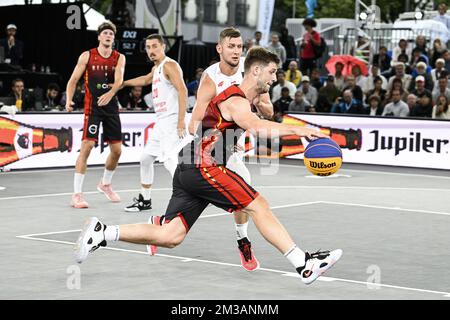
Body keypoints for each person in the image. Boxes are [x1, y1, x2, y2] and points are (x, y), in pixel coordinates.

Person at [74, 47, 343, 286]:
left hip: (189, 167)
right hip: (204, 167)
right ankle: (304, 264)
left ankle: (103, 233)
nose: (275, 78)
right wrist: (302, 129)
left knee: (170, 235)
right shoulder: (236, 100)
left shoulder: (244, 101)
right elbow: (258, 128)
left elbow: (248, 122)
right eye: (272, 72)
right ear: (256, 70)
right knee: (258, 205)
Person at [189, 27, 274, 271]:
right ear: (220, 48)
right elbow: (198, 115)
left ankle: (242, 239)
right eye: (231, 46)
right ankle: (163, 224)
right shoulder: (210, 77)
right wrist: (214, 138)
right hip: (212, 145)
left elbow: (268, 109)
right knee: (209, 194)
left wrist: (259, 102)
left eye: (239, 47)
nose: (236, 51)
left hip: (235, 146)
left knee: (240, 192)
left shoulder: (250, 70)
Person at [122, 34, 187, 214]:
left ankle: (187, 196)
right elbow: (144, 80)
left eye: (154, 46)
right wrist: (123, 83)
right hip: (161, 122)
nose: (151, 50)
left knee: (169, 161)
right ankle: (145, 199)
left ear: (163, 46)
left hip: (172, 119)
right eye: (148, 47)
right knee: (145, 159)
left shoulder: (169, 65)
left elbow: (183, 90)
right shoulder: (157, 68)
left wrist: (181, 120)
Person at [65, 21, 126, 208]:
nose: (108, 36)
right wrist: (68, 100)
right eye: (105, 33)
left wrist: (110, 94)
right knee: (87, 146)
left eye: (111, 34)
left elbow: (119, 81)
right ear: (99, 36)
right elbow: (73, 80)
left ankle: (105, 184)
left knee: (117, 151)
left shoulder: (119, 57)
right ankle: (77, 195)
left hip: (111, 108)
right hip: (93, 108)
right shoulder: (87, 56)